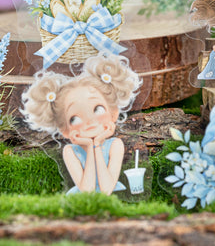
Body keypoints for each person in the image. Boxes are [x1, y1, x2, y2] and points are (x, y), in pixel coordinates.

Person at [21, 53, 141, 195]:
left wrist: (97, 145)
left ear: (113, 113)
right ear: (65, 130)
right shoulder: (70, 151)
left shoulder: (115, 145)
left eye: (98, 109)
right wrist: (90, 146)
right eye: (74, 119)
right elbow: (87, 192)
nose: (89, 121)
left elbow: (106, 189)